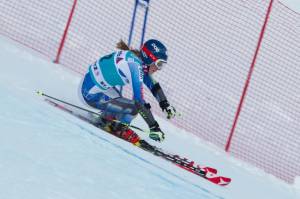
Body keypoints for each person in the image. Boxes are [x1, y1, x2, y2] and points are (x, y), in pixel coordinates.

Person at [79, 39, 176, 145]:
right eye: (159, 63)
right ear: (149, 58)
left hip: (93, 87)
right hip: (90, 94)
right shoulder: (135, 66)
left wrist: (164, 104)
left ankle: (107, 120)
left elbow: (152, 84)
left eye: (162, 65)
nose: (158, 68)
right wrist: (154, 127)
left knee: (124, 104)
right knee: (134, 107)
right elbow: (139, 101)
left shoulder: (135, 60)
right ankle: (119, 128)